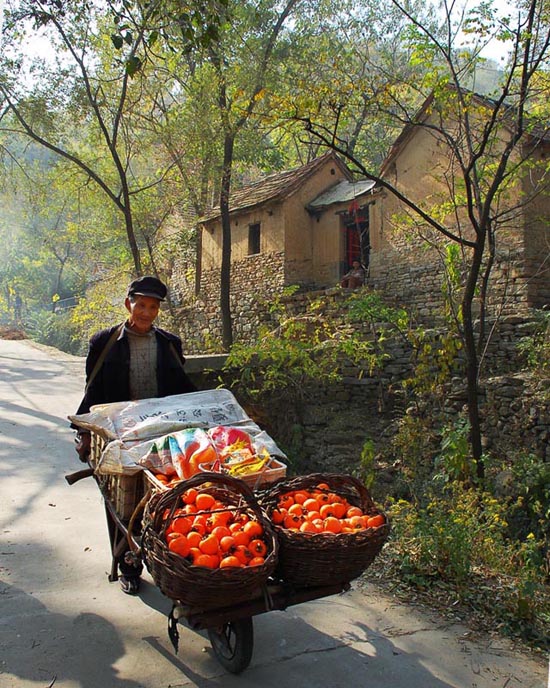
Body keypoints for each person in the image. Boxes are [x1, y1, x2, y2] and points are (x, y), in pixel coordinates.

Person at [72, 275, 197, 595]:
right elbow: (94, 389)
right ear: (129, 303)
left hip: (162, 433)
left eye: (153, 306)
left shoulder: (169, 343)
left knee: (169, 495)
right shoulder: (104, 342)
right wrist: (85, 433)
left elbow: (184, 390)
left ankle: (174, 555)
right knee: (123, 500)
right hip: (120, 434)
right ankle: (128, 565)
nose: (146, 311)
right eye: (140, 304)